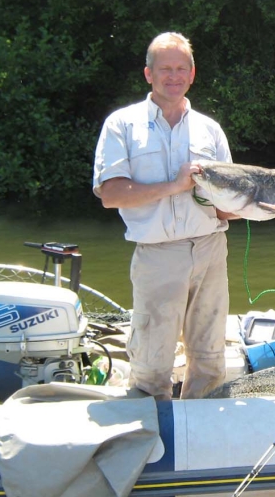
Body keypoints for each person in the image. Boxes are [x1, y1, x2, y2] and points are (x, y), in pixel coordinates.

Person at [92, 32, 236, 401]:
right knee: (153, 362)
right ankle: (151, 433)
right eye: (165, 69)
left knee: (209, 356)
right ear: (148, 74)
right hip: (157, 254)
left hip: (210, 249)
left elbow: (228, 206)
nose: (174, 76)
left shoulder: (210, 129)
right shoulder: (121, 125)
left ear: (192, 73)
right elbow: (110, 195)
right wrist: (174, 185)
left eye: (181, 68)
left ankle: (200, 429)